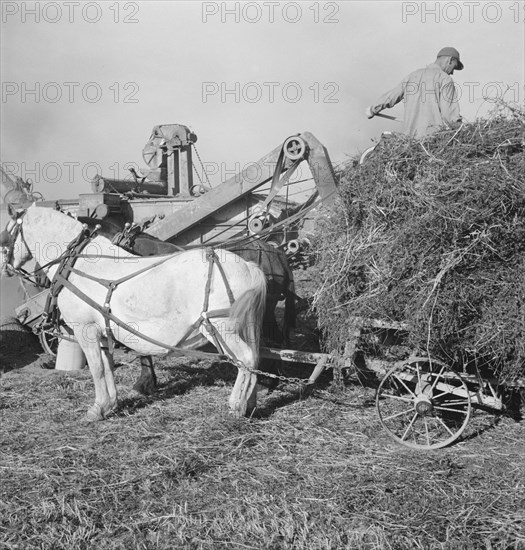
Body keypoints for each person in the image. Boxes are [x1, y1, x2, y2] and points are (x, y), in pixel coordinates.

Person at [366, 47, 464, 138]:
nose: (452, 72)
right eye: (454, 67)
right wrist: (462, 131)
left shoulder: (413, 76)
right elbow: (450, 115)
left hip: (410, 140)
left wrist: (373, 109)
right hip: (432, 140)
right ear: (450, 60)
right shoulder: (445, 79)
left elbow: (392, 96)